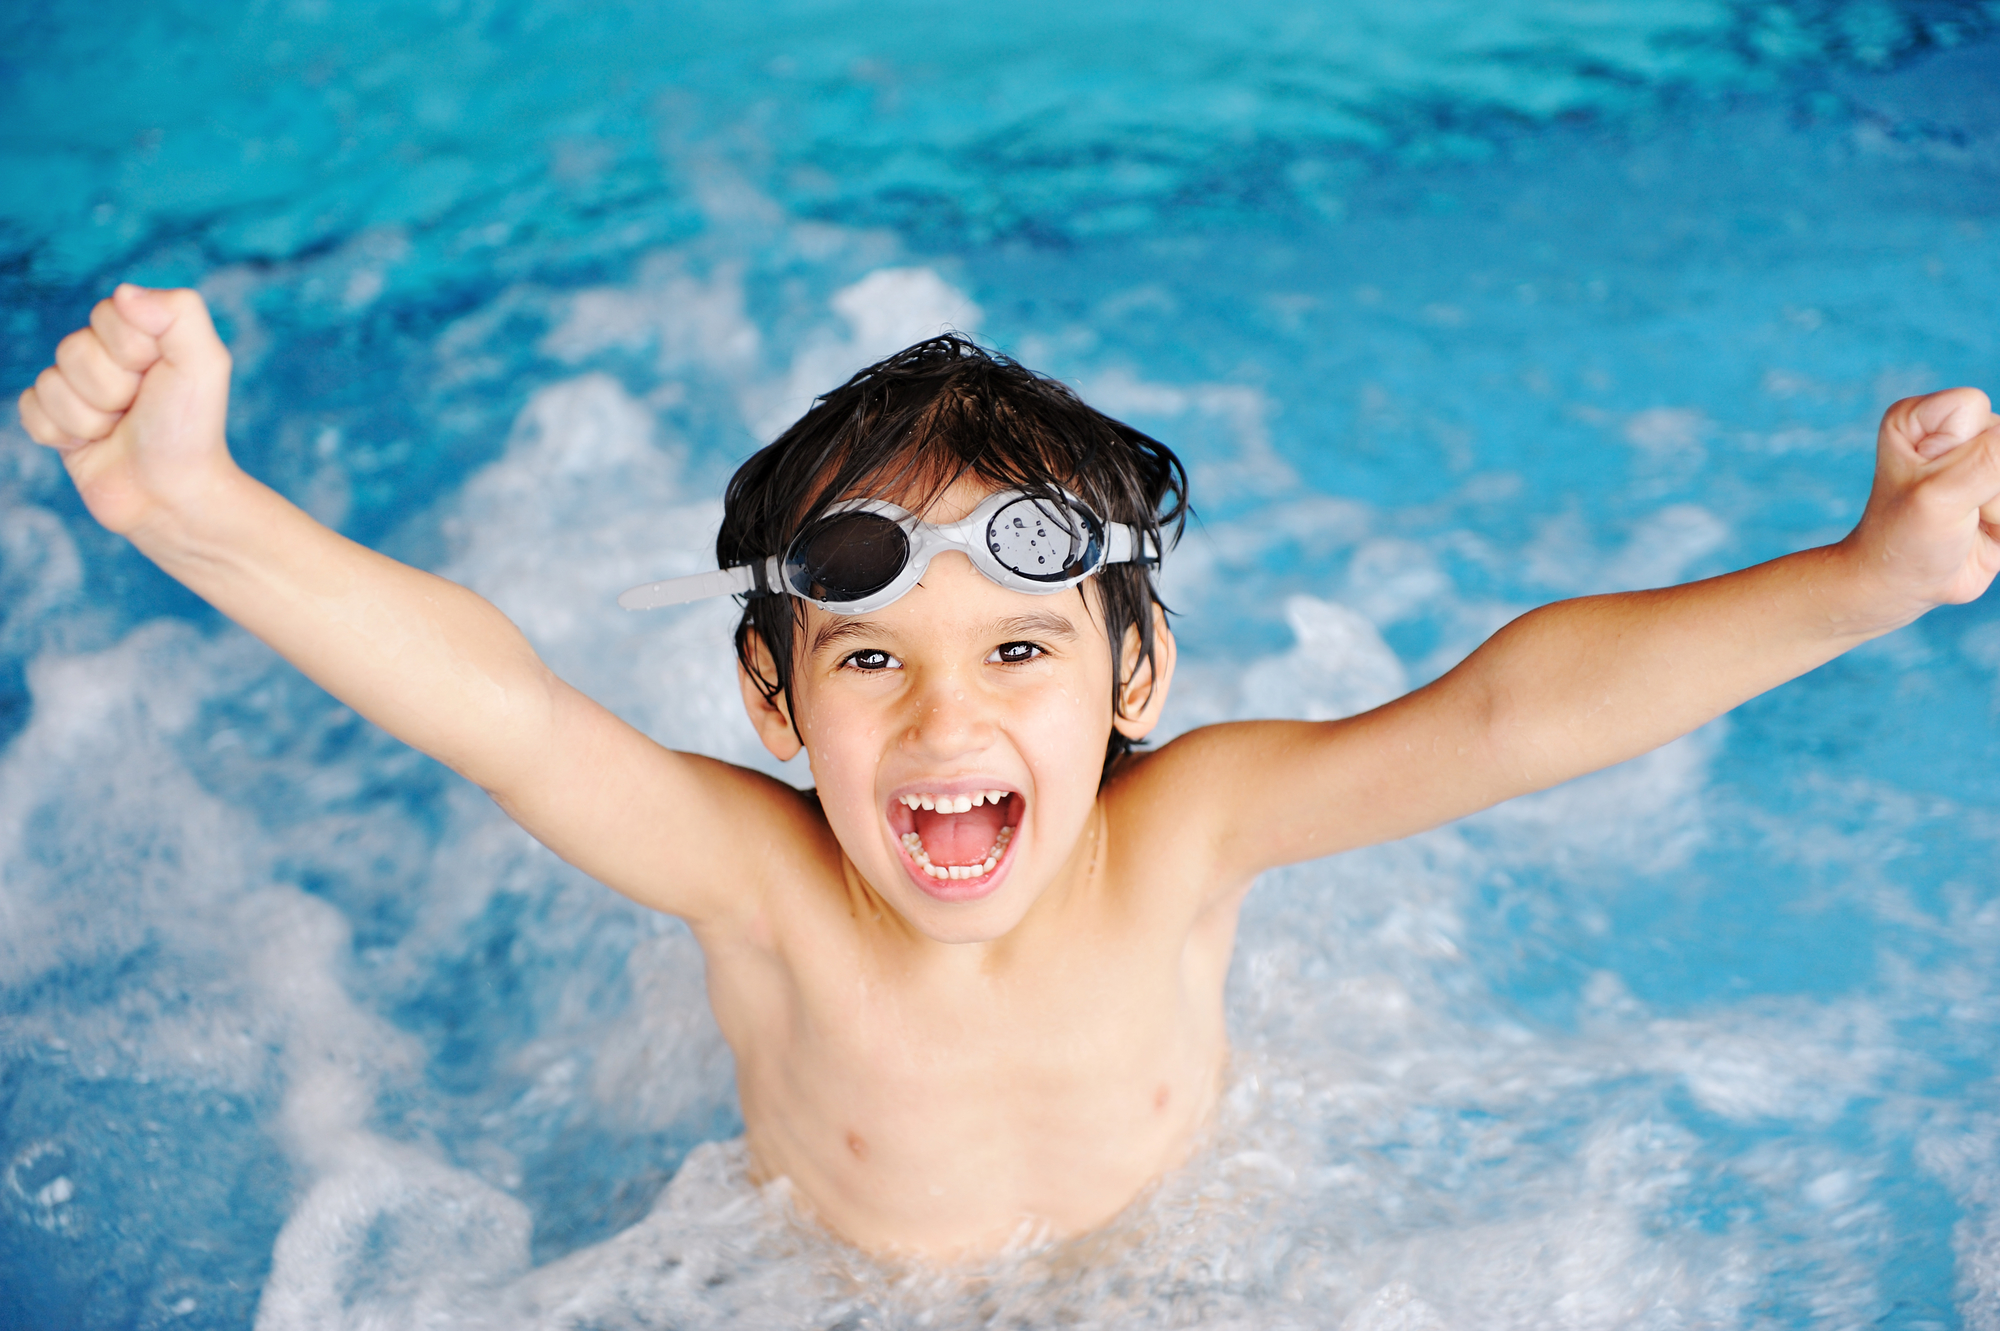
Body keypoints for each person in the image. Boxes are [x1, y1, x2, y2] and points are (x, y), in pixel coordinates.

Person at [18, 283, 2000, 1258]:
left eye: (1021, 656)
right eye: (868, 659)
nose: (946, 725)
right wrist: (192, 504)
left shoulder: (1187, 835)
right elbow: (506, 710)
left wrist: (1859, 582)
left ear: (1134, 673)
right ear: (775, 707)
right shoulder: (762, 883)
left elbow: (1495, 719)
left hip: (1172, 1268)